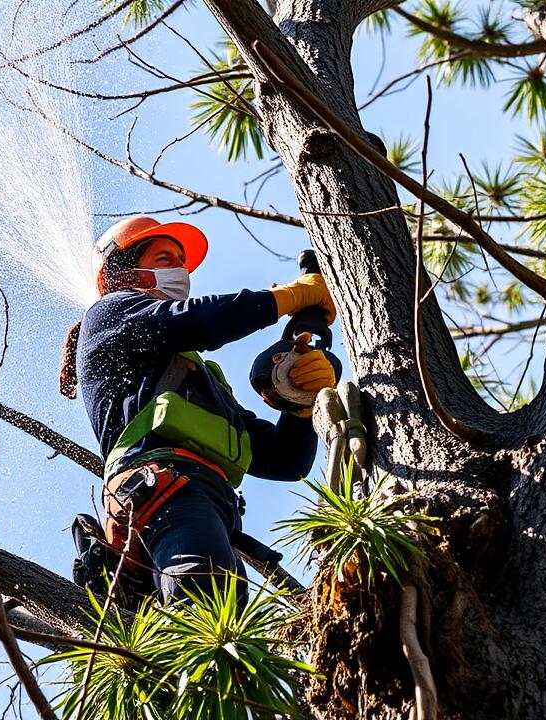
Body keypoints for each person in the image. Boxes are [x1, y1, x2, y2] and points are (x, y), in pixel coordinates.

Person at [59, 215, 338, 604]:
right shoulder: (109, 313)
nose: (180, 270)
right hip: (163, 488)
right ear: (123, 273)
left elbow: (285, 460)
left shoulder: (196, 379)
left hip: (205, 504)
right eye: (164, 258)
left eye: (181, 262)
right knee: (205, 597)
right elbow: (199, 322)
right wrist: (287, 297)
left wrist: (300, 401)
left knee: (225, 610)